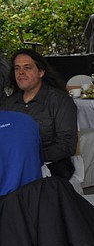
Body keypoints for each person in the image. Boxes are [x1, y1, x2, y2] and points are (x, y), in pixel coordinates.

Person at [0, 49, 77, 180]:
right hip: (12, 165)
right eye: (17, 68)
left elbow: (67, 145)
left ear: (41, 72)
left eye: (27, 67)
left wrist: (30, 156)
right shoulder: (9, 103)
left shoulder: (60, 101)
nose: (21, 72)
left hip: (51, 165)